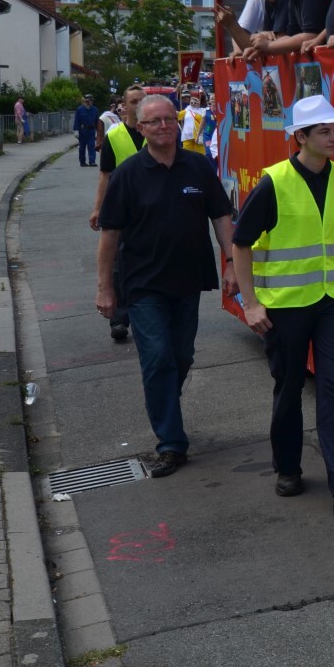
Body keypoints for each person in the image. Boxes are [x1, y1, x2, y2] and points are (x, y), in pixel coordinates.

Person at [231, 94, 334, 518]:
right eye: (324, 131)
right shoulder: (273, 183)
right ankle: (288, 467)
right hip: (285, 305)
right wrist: (250, 303)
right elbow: (241, 244)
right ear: (301, 137)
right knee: (289, 385)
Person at [96, 94, 237, 478]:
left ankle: (163, 403)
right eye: (154, 121)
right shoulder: (128, 174)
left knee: (181, 357)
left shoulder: (198, 166)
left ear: (177, 123)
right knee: (158, 357)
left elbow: (221, 216)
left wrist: (231, 264)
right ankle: (171, 444)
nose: (163, 126)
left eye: (169, 120)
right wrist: (105, 287)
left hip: (188, 280)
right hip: (143, 285)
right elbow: (109, 235)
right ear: (140, 128)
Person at [92, 84, 146, 342]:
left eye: (142, 100)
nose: (138, 105)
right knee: (118, 263)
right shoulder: (114, 136)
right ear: (124, 106)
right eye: (133, 101)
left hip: (152, 208)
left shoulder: (159, 130)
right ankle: (119, 318)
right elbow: (105, 174)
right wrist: (98, 208)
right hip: (122, 207)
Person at [73, 93, 100, 167]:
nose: (92, 102)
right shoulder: (79, 110)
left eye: (92, 100)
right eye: (90, 100)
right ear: (86, 101)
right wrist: (76, 131)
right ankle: (82, 162)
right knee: (82, 147)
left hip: (91, 130)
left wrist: (98, 131)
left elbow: (97, 121)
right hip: (82, 131)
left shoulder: (95, 110)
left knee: (92, 146)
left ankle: (92, 161)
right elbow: (77, 121)